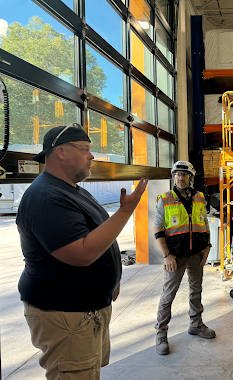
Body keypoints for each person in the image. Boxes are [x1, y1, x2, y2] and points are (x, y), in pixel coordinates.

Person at [17, 124, 148, 380]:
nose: (92, 156)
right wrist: (125, 211)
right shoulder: (46, 196)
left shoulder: (72, 190)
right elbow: (81, 253)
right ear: (61, 152)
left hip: (84, 310)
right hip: (66, 315)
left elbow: (96, 236)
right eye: (85, 149)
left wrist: (111, 278)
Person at [154, 161, 215, 355]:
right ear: (173, 177)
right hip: (175, 256)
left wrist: (207, 248)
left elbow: (204, 224)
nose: (180, 178)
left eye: (184, 174)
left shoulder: (199, 197)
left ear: (191, 177)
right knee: (168, 295)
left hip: (196, 253)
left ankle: (196, 324)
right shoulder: (164, 199)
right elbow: (158, 230)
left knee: (196, 291)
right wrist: (166, 255)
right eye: (177, 175)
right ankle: (161, 334)